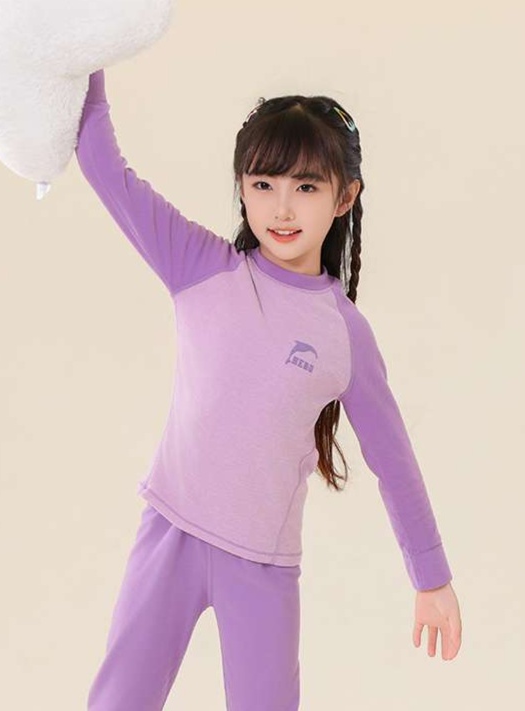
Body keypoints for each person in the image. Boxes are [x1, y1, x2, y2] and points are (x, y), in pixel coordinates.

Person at [73, 67, 462, 711]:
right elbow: (103, 167)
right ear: (242, 189)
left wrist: (431, 577)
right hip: (169, 535)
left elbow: (394, 464)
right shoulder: (198, 265)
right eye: (263, 184)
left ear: (344, 197)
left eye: (305, 186)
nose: (282, 208)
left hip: (262, 568)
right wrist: (89, 54)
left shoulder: (344, 333)